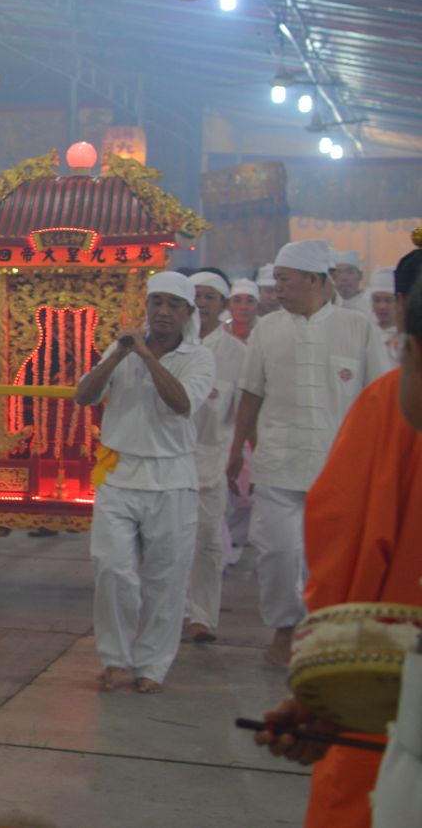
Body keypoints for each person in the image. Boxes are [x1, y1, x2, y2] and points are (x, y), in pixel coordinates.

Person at [252, 258, 422, 828]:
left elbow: (349, 562)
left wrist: (328, 694)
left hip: (399, 701)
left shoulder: (387, 408)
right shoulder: (268, 330)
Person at [227, 239, 391, 666]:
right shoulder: (268, 330)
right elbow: (250, 396)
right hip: (278, 463)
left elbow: (379, 397)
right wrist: (235, 451)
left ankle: (324, 637)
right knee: (278, 553)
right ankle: (284, 630)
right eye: (276, 279)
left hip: (341, 469)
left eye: (285, 279)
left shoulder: (358, 327)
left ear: (315, 281)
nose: (277, 288)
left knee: (333, 560)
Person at [75, 271, 216, 693]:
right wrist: (118, 356)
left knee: (166, 578)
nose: (163, 312)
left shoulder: (200, 357)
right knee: (112, 569)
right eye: (157, 302)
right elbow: (84, 396)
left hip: (172, 478)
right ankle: (116, 660)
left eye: (174, 305)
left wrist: (148, 358)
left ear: (189, 313)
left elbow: (181, 404)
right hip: (119, 475)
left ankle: (153, 666)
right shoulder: (122, 349)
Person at [184, 271, 247, 643]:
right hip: (168, 457)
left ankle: (202, 616)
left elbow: (243, 410)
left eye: (210, 296)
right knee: (168, 540)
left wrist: (238, 455)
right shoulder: (173, 346)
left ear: (224, 304)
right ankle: (172, 609)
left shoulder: (238, 354)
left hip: (212, 458)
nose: (202, 303)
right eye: (196, 296)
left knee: (207, 539)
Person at [371, 266, 400, 362]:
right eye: (377, 300)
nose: (382, 306)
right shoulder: (366, 331)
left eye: (388, 300)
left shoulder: (407, 337)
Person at [331, 248, 371, 314]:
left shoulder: (371, 305)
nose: (343, 278)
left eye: (350, 272)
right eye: (339, 272)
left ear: (360, 275)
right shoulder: (329, 304)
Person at [225, 278, 259, 342]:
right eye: (237, 301)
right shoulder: (220, 330)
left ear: (258, 306)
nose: (243, 307)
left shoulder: (267, 330)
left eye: (250, 301)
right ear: (228, 306)